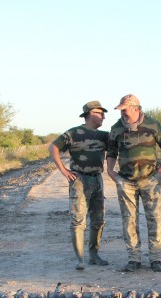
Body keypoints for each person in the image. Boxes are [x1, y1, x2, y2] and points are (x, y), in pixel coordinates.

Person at [106, 94, 161, 273]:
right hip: (126, 182)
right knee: (129, 220)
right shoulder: (116, 128)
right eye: (121, 110)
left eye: (125, 110)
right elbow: (111, 152)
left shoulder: (153, 124)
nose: (123, 114)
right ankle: (133, 258)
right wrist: (111, 172)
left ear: (136, 108)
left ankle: (156, 258)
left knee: (154, 219)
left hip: (150, 180)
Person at [49, 100, 111, 270]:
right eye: (100, 113)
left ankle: (94, 255)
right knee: (78, 220)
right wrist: (63, 170)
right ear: (90, 114)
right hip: (79, 180)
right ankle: (80, 258)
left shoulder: (104, 135)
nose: (103, 117)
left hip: (97, 179)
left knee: (98, 219)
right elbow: (53, 147)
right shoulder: (74, 133)